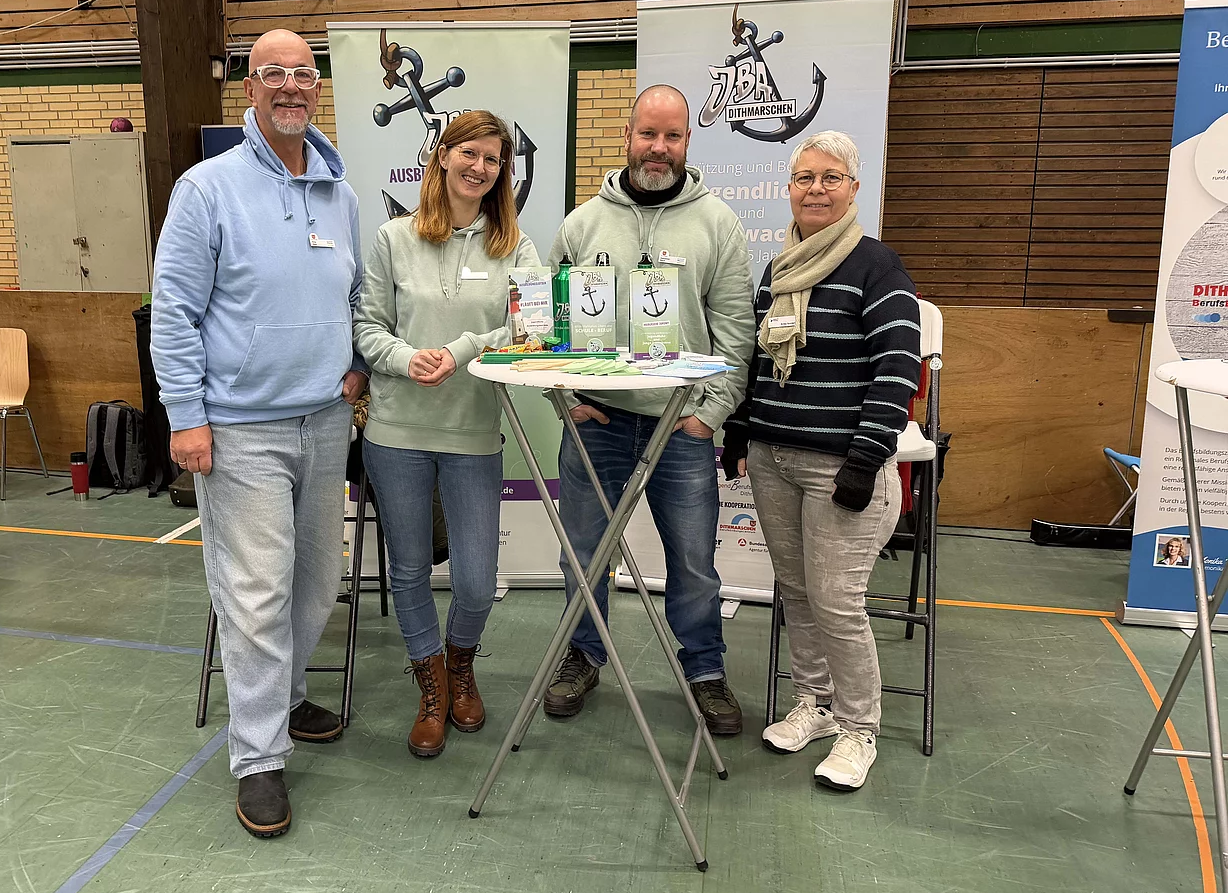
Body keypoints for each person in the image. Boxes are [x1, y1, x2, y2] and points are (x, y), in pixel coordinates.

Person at [151, 29, 367, 839]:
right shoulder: (206, 189)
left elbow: (354, 295)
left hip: (325, 421)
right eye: (274, 72)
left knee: (316, 583)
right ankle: (258, 756)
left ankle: (282, 696)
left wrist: (357, 365)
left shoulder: (341, 195)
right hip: (240, 430)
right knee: (256, 593)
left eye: (303, 74)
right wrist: (186, 417)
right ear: (249, 88)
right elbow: (174, 311)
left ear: (317, 89)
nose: (290, 86)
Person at [542, 84, 755, 736]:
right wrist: (565, 397)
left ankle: (705, 670)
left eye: (672, 136)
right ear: (627, 136)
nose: (658, 148)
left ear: (688, 142)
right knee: (583, 554)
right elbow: (546, 326)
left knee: (692, 562)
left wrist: (709, 415)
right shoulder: (582, 224)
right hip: (597, 423)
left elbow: (735, 333)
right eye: (648, 134)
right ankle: (582, 655)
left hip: (680, 427)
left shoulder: (717, 224)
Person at [721, 129, 921, 792]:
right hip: (773, 458)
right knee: (799, 593)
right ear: (789, 188)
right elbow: (759, 358)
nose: (816, 189)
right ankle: (815, 704)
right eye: (805, 177)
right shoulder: (778, 270)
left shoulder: (877, 267)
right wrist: (740, 430)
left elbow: (897, 370)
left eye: (830, 177)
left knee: (837, 601)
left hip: (839, 467)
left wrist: (866, 458)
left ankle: (859, 729)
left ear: (853, 188)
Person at [354, 110, 540, 757]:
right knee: (408, 570)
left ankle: (461, 664)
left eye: (493, 159)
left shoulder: (514, 245)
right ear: (441, 156)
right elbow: (367, 327)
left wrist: (460, 350)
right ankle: (432, 684)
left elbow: (532, 326)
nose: (479, 167)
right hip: (395, 432)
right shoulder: (392, 238)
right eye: (469, 153)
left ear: (502, 171)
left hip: (472, 432)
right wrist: (408, 359)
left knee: (476, 578)